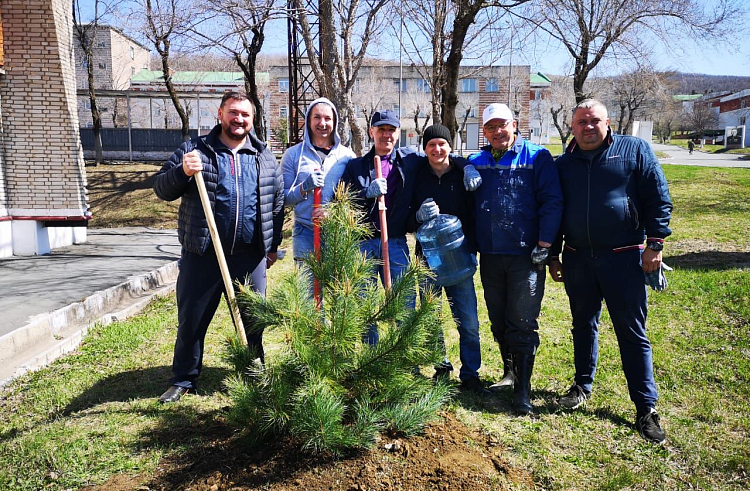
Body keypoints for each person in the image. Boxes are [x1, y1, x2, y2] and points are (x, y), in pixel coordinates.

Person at [549, 99, 673, 444]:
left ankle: (645, 407)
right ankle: (581, 386)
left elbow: (658, 198)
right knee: (583, 325)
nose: (588, 127)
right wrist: (554, 256)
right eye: (581, 122)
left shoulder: (634, 150)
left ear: (609, 123)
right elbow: (556, 211)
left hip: (624, 259)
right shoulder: (564, 164)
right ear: (572, 127)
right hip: (577, 259)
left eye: (594, 121)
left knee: (632, 332)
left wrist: (655, 244)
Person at [153, 91, 284, 404]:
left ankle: (253, 372)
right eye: (233, 113)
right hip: (203, 254)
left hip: (249, 257)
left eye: (245, 115)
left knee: (254, 321)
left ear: (253, 120)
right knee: (192, 321)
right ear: (220, 114)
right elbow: (162, 189)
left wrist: (272, 246)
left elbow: (276, 204)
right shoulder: (195, 150)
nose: (239, 120)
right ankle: (183, 379)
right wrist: (181, 171)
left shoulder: (263, 156)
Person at [469, 103, 563, 415]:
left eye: (502, 125)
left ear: (514, 124)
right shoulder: (478, 161)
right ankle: (509, 373)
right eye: (490, 127)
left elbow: (552, 200)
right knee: (498, 320)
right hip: (492, 255)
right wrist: (464, 167)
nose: (497, 132)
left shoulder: (536, 157)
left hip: (526, 255)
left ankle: (523, 392)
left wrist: (546, 242)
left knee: (522, 321)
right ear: (484, 132)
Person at [406, 124, 489, 396]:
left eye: (442, 144)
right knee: (431, 317)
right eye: (431, 145)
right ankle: (441, 367)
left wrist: (466, 166)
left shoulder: (462, 174)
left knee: (468, 319)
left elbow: (477, 213)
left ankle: (471, 373)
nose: (437, 149)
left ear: (450, 146)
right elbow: (405, 215)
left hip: (459, 258)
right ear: (424, 148)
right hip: (427, 259)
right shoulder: (417, 175)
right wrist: (417, 217)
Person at [281, 98, 355, 266]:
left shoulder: (347, 157)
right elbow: (284, 199)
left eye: (327, 118)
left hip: (336, 233)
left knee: (335, 289)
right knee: (308, 290)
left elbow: (354, 201)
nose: (322, 123)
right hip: (305, 232)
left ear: (334, 122)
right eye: (317, 117)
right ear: (308, 120)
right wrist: (304, 187)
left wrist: (333, 212)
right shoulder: (293, 155)